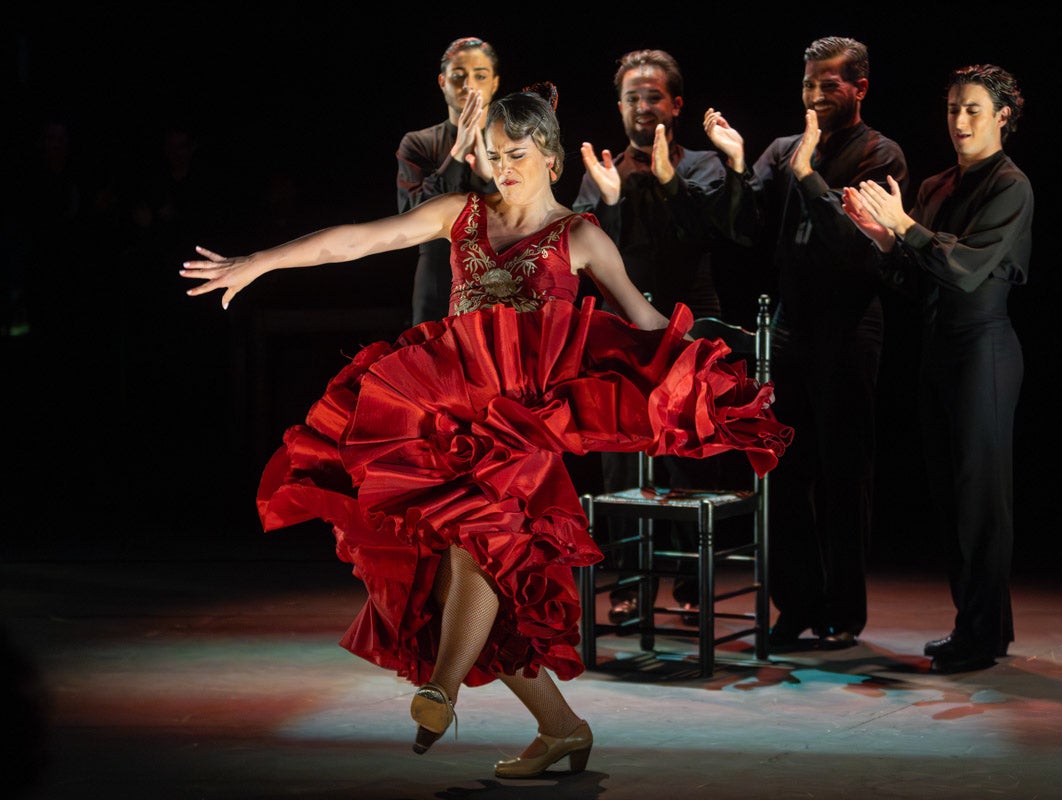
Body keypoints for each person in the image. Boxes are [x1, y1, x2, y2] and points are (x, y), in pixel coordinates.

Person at [182, 84, 791, 776]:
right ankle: (561, 728)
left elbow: (645, 324)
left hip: (523, 432)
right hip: (443, 418)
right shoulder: (462, 215)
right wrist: (259, 262)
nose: (501, 168)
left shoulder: (579, 236)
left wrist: (718, 380)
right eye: (493, 155)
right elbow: (357, 241)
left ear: (550, 156)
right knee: (450, 586)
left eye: (517, 155)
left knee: (481, 540)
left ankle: (440, 686)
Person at [842, 64, 1033, 674]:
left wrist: (906, 229)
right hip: (938, 347)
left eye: (973, 109)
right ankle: (980, 628)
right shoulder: (933, 186)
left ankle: (981, 635)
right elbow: (916, 282)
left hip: (984, 350)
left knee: (981, 498)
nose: (959, 121)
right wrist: (885, 241)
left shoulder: (1011, 185)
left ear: (1002, 115)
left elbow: (968, 269)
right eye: (953, 108)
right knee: (951, 497)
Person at [572, 48, 755, 626]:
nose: (642, 107)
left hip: (690, 326)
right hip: (621, 333)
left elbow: (723, 230)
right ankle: (630, 582)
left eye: (653, 96)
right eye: (632, 98)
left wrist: (671, 184)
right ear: (620, 107)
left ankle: (691, 583)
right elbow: (581, 253)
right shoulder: (604, 171)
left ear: (676, 104)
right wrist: (608, 201)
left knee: (690, 454)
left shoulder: (700, 166)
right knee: (623, 461)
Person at [746, 36, 908, 650]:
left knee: (844, 474)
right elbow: (745, 225)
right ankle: (797, 605)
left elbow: (856, 248)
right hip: (792, 326)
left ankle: (843, 611)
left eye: (828, 85)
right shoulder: (784, 149)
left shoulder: (881, 154)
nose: (814, 95)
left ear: (859, 88)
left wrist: (809, 176)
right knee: (785, 470)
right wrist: (739, 167)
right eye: (808, 83)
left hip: (849, 326)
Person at [396, 36, 500, 326]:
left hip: (501, 270)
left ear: (494, 83)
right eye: (458, 76)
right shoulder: (419, 143)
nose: (468, 84)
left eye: (480, 76)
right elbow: (409, 214)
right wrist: (456, 153)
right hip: (438, 274)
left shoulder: (512, 141)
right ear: (443, 81)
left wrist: (487, 177)